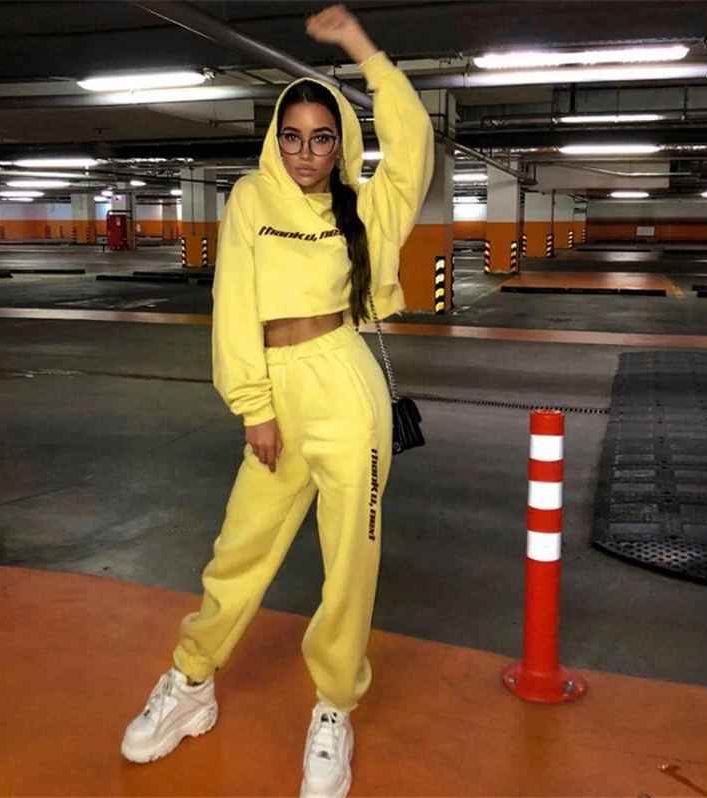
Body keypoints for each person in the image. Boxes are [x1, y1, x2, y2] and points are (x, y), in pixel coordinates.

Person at [121, 5, 433, 796]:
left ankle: (333, 708)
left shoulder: (364, 208)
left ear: (340, 144)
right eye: (292, 137)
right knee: (241, 548)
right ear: (275, 139)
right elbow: (233, 307)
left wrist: (360, 48)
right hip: (276, 392)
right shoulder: (252, 199)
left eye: (321, 138)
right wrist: (254, 407)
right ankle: (191, 681)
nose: (305, 152)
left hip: (346, 387)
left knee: (350, 561)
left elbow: (413, 145)